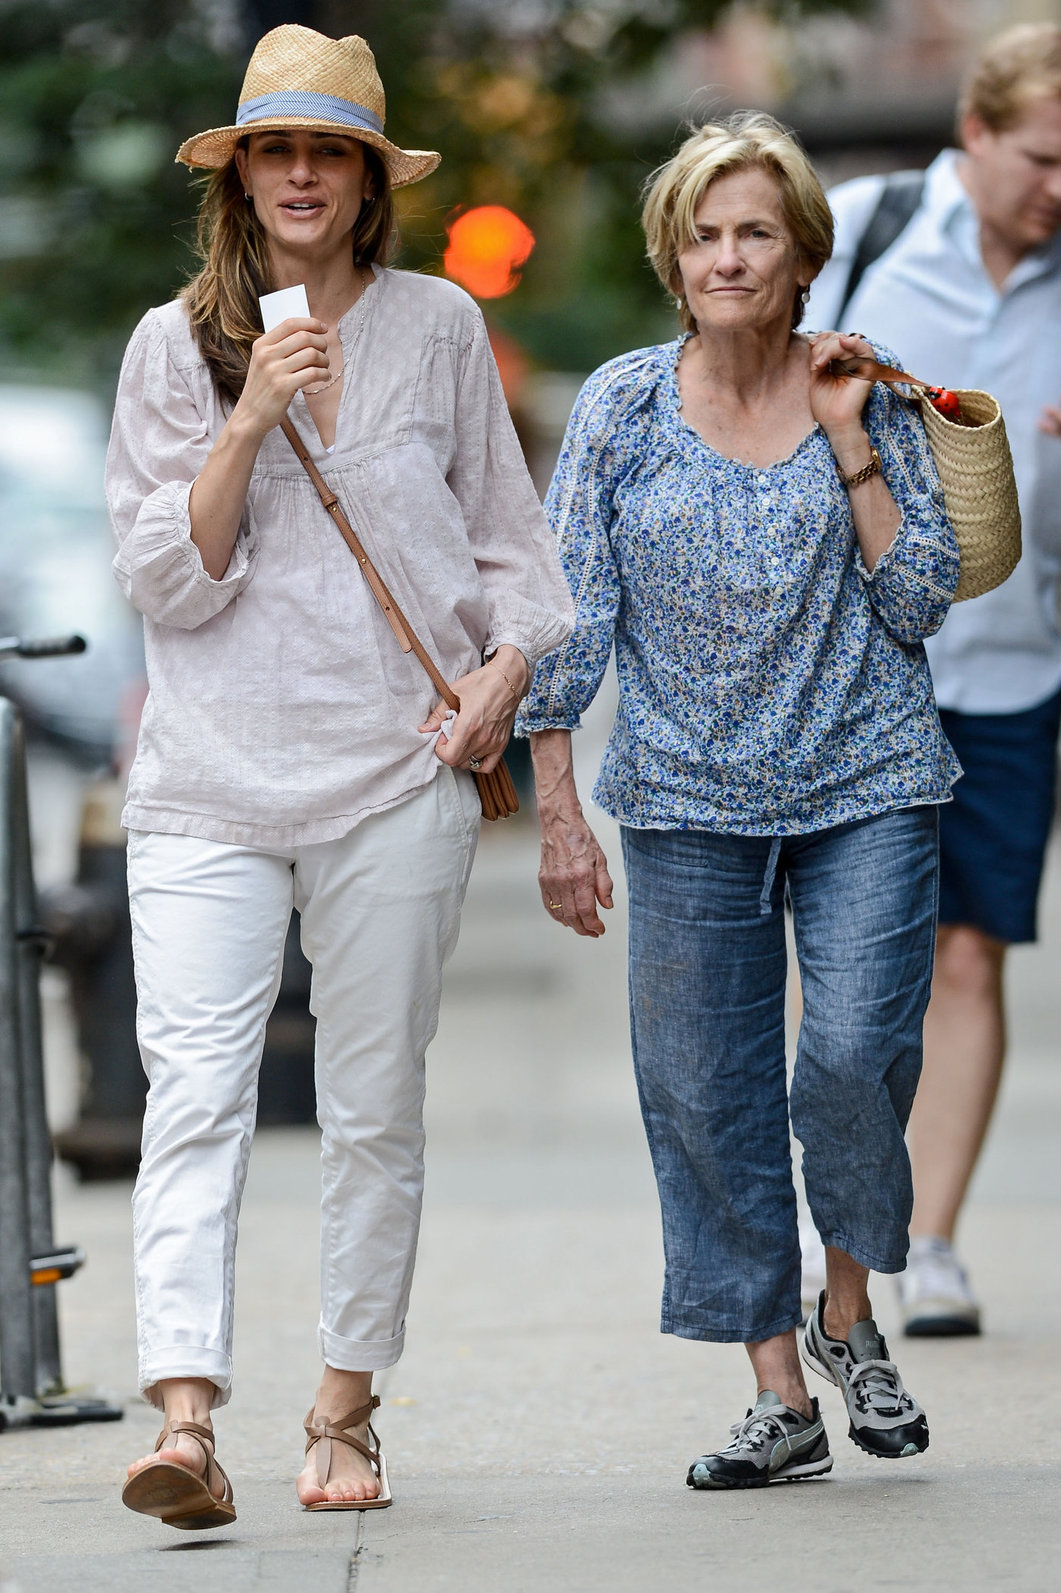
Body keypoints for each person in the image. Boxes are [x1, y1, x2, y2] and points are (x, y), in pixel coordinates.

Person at [107, 24, 572, 1528]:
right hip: (208, 784)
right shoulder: (169, 346)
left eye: (333, 153)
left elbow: (518, 557)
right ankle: (184, 1418)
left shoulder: (438, 329)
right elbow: (170, 586)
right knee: (194, 1097)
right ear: (236, 175)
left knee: (374, 1107)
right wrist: (248, 415)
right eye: (275, 148)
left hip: (395, 776)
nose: (302, 172)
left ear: (370, 186)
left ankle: (346, 1404)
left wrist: (503, 675)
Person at [518, 111, 960, 1489]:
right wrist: (555, 802)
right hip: (686, 796)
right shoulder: (621, 405)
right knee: (704, 1097)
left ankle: (847, 1316)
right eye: (702, 234)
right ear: (671, 258)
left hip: (867, 779)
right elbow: (568, 612)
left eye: (754, 231)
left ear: (802, 254)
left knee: (850, 1059)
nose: (726, 256)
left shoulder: (869, 391)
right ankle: (778, 1393)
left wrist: (848, 438)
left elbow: (919, 597)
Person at [806, 22, 1061, 1337]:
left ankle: (934, 1241)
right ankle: (844, 1212)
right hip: (852, 665)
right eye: (1042, 157)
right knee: (847, 968)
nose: (1058, 187)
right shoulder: (861, 228)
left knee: (967, 955)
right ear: (972, 132)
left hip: (1014, 664)